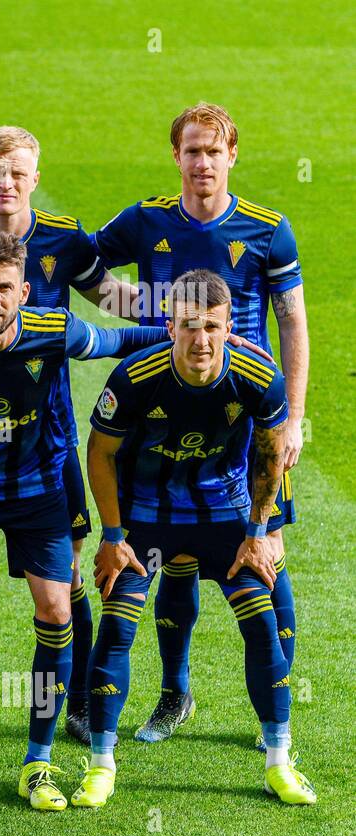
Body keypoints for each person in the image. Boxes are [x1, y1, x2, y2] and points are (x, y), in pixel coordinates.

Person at [0, 231, 168, 812]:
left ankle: (38, 763)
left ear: (23, 291)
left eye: (3, 288)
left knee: (56, 607)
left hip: (36, 491)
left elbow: (115, 339)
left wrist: (182, 333)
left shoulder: (52, 329)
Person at [77, 268, 315, 807]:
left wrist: (258, 532)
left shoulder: (258, 376)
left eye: (211, 326)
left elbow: (270, 455)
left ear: (230, 326)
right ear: (170, 325)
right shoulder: (136, 377)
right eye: (189, 326)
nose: (200, 340)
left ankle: (279, 760)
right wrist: (113, 536)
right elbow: (101, 453)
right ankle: (100, 764)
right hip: (149, 517)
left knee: (263, 626)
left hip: (224, 515)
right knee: (117, 627)